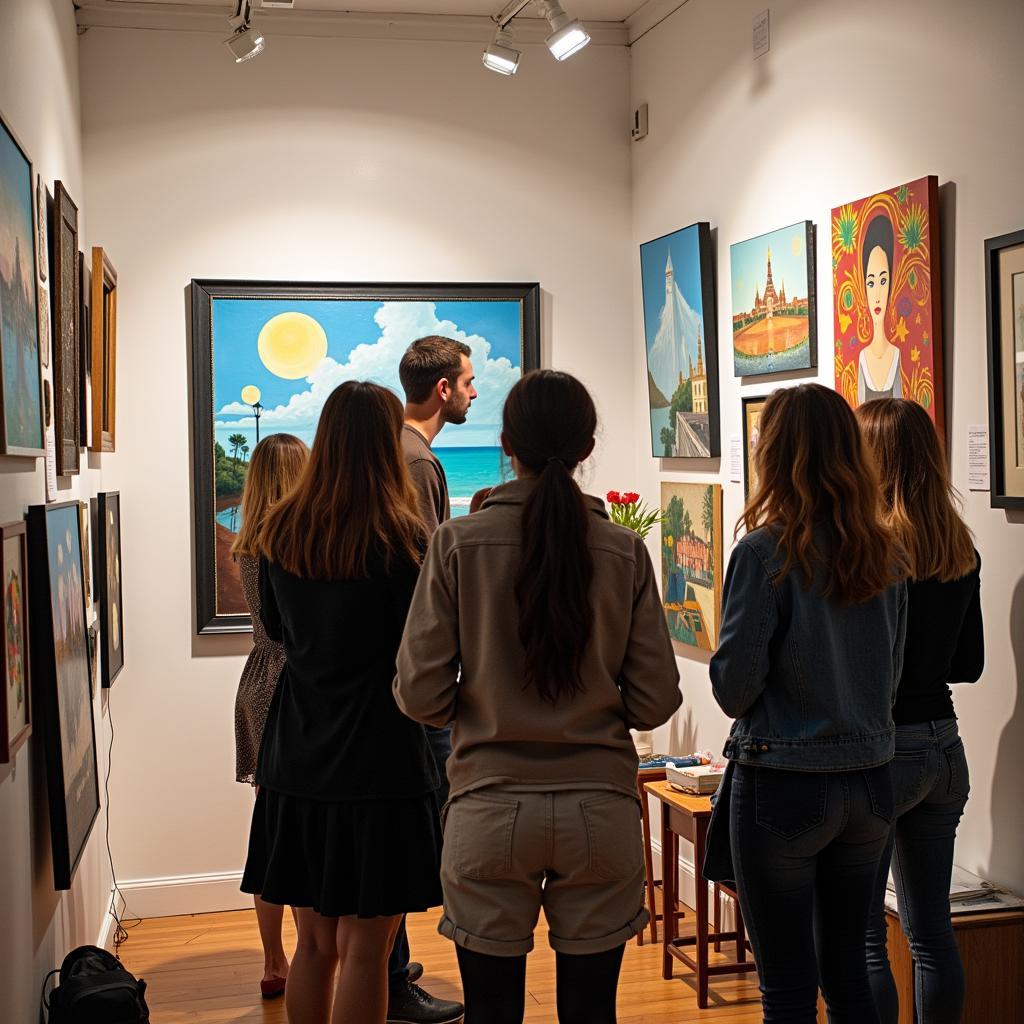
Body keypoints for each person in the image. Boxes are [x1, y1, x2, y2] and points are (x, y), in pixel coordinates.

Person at [394, 369, 682, 1024]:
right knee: (591, 1014)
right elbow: (654, 700)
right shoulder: (622, 549)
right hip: (599, 812)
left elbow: (419, 692)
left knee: (492, 1015)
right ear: (586, 448)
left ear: (507, 443)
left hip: (487, 809)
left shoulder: (457, 545)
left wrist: (479, 696)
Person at [240, 381, 460, 1024]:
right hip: (381, 757)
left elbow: (277, 634)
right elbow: (424, 649)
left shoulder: (279, 532)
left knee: (313, 944)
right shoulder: (402, 539)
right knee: (366, 948)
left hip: (299, 751)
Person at [709, 383, 907, 1023]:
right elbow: (891, 676)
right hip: (873, 780)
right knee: (850, 971)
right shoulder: (889, 552)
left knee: (788, 988)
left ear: (775, 454)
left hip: (784, 784)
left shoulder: (765, 551)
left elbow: (734, 690)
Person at [858, 398, 984, 1024]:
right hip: (944, 746)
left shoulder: (873, 551)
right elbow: (970, 664)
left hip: (885, 747)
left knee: (864, 938)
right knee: (932, 931)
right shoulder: (959, 545)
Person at [387, 335, 477, 1023]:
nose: (475, 392)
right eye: (468, 382)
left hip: (402, 673)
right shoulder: (419, 462)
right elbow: (427, 583)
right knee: (426, 825)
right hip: (419, 679)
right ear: (443, 389)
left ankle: (389, 961)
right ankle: (391, 976)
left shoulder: (401, 451)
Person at [231, 432, 309, 999]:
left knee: (270, 828)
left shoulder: (246, 545)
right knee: (300, 832)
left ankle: (273, 959)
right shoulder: (296, 545)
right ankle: (308, 953)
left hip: (257, 679)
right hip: (294, 684)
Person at [857, 213, 905, 403]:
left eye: (883, 281)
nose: (877, 295)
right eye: (871, 283)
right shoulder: (862, 357)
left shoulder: (896, 354)